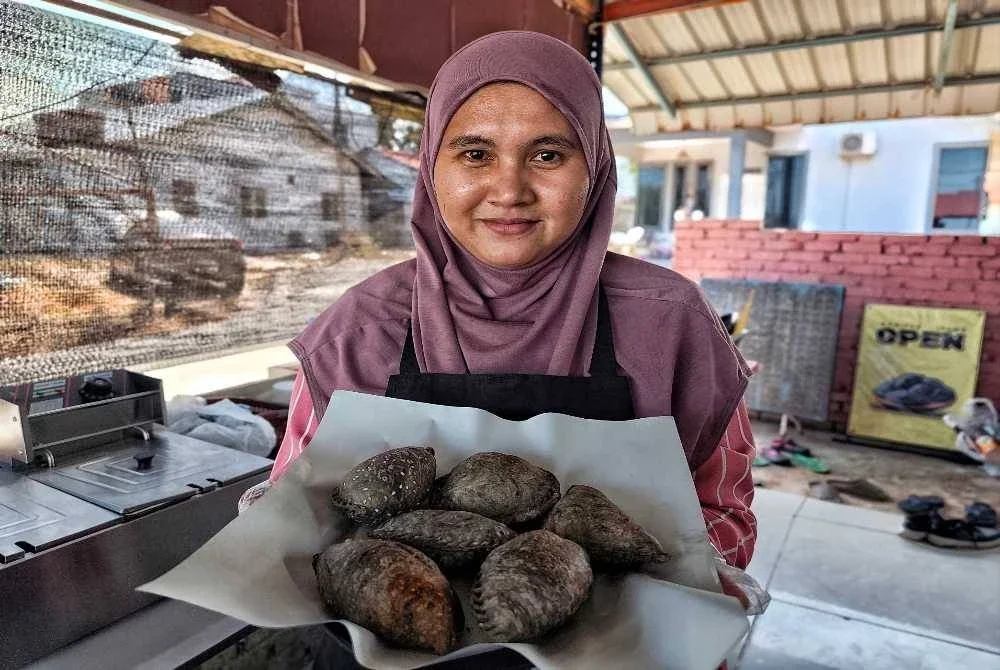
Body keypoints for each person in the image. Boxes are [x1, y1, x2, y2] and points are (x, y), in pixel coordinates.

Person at [241, 29, 767, 667]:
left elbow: (726, 512)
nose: (509, 189)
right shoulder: (361, 328)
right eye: (474, 153)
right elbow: (298, 510)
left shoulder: (671, 325)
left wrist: (649, 594)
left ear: (596, 165)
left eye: (548, 154)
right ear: (433, 167)